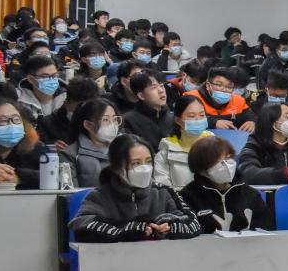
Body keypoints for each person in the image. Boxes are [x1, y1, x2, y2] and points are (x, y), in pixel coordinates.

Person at [70, 134, 201, 243]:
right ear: (116, 167)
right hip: (114, 261)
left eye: (148, 161)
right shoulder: (99, 196)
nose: (144, 168)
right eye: (136, 163)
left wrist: (170, 226)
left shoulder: (164, 192)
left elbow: (193, 223)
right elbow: (80, 226)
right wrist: (128, 230)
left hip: (160, 259)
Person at [237, 104, 288, 185]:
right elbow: (249, 174)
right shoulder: (254, 146)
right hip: (263, 192)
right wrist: (287, 173)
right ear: (273, 123)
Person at [155, 96, 214, 189]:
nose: (198, 120)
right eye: (191, 116)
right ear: (178, 120)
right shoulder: (166, 151)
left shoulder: (215, 146)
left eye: (202, 115)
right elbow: (162, 187)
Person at [62, 99, 121, 187]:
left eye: (115, 119)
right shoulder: (70, 154)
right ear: (88, 125)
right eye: (105, 120)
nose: (112, 125)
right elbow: (69, 190)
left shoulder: (124, 148)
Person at [0, 98, 45, 190]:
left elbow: (56, 177)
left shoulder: (37, 149)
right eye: (3, 121)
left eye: (16, 119)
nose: (11, 125)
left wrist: (17, 176)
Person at [184, 67, 256, 133]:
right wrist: (213, 123)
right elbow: (186, 122)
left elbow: (249, 115)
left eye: (229, 86)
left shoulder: (238, 100)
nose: (224, 89)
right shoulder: (191, 98)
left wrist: (251, 121)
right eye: (219, 85)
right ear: (208, 85)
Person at [37, 77, 100, 148]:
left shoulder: (100, 123)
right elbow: (37, 148)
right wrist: (51, 146)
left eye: (88, 108)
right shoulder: (47, 124)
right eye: (79, 107)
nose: (83, 113)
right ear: (66, 102)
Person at [122, 71, 174, 150]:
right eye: (153, 87)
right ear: (141, 95)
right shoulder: (129, 121)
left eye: (162, 86)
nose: (161, 90)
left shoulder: (172, 117)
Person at [17, 55, 66, 120]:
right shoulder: (17, 99)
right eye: (45, 76)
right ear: (30, 79)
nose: (51, 80)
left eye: (54, 75)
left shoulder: (68, 98)